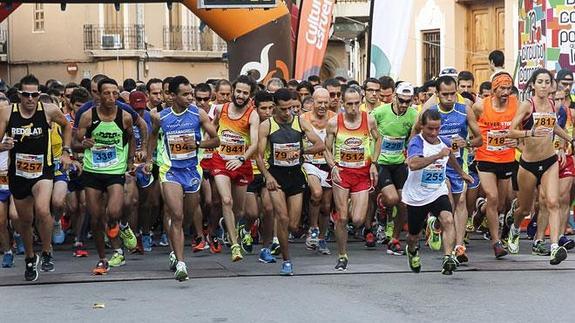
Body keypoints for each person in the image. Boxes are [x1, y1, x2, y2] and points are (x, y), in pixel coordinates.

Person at [145, 76, 219, 281]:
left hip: (192, 171)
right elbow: (152, 136)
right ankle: (180, 262)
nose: (190, 98)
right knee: (176, 215)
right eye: (185, 95)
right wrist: (149, 158)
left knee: (185, 217)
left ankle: (174, 244)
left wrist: (198, 145)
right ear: (173, 96)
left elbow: (216, 140)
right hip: (170, 171)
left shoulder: (198, 114)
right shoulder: (161, 117)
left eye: (191, 94)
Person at [0, 74, 72, 281]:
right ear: (19, 95)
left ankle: (47, 250)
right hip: (19, 172)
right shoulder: (7, 113)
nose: (30, 99)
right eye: (26, 95)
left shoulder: (48, 110)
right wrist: (2, 146)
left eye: (34, 95)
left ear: (39, 95)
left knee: (42, 209)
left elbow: (67, 125)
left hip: (43, 170)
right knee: (25, 219)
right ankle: (30, 257)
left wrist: (66, 151)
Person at [507, 69, 573, 265]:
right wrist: (530, 133)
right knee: (525, 208)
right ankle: (515, 227)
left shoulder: (553, 104)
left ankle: (554, 247)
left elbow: (553, 126)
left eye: (547, 82)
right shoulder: (527, 105)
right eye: (540, 82)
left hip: (549, 160)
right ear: (533, 85)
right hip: (528, 163)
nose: (544, 85)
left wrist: (570, 139)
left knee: (552, 202)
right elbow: (511, 131)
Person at [256, 88, 324, 275]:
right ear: (275, 108)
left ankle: (284, 241)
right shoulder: (267, 126)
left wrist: (304, 151)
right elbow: (259, 156)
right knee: (283, 218)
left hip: (295, 175)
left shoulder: (300, 122)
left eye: (291, 109)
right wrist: (267, 176)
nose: (287, 113)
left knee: (293, 225)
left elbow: (320, 144)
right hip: (276, 176)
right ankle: (286, 261)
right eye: (283, 109)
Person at [76, 78, 137, 275]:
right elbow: (75, 142)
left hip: (115, 170)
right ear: (99, 95)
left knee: (114, 211)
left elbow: (132, 138)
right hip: (93, 171)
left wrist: (129, 162)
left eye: (115, 93)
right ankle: (103, 259)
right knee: (95, 218)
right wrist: (83, 144)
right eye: (106, 93)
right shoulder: (87, 116)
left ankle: (116, 226)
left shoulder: (125, 116)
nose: (111, 97)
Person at [403, 109, 473, 275]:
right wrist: (436, 156)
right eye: (430, 129)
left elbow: (450, 155)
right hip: (417, 196)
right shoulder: (416, 142)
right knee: (413, 235)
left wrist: (462, 173)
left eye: (437, 128)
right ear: (422, 126)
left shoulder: (444, 141)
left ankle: (448, 258)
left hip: (437, 190)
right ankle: (412, 250)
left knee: (448, 219)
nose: (434, 133)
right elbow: (413, 164)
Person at [426, 75, 482, 264]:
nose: (449, 98)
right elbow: (416, 136)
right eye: (445, 95)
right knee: (448, 203)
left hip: (459, 164)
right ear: (437, 94)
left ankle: (459, 246)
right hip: (437, 165)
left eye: (452, 94)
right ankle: (445, 246)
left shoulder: (465, 110)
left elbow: (480, 139)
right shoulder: (430, 112)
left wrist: (465, 142)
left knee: (461, 204)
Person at [325, 87, 381, 271]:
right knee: (342, 218)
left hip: (362, 173)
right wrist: (332, 166)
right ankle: (342, 255)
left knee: (357, 220)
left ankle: (349, 205)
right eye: (349, 104)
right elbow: (326, 148)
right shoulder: (334, 123)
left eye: (357, 103)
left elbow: (378, 139)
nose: (354, 108)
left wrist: (374, 162)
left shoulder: (369, 119)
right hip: (342, 173)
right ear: (342, 104)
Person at [211, 75, 260, 262]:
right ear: (233, 91)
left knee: (239, 211)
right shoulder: (221, 109)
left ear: (250, 95)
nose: (240, 95)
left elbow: (254, 144)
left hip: (241, 162)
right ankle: (234, 245)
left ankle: (229, 223)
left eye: (244, 93)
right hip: (221, 160)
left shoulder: (252, 114)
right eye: (238, 91)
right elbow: (212, 129)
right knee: (226, 199)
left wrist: (241, 158)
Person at [472, 72, 518, 258]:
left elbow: (522, 126)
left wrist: (517, 141)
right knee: (492, 195)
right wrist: (475, 139)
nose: (506, 92)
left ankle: (480, 210)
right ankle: (496, 242)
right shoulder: (480, 106)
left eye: (508, 88)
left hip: (506, 158)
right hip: (485, 157)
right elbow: (470, 124)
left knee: (499, 203)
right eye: (502, 88)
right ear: (493, 89)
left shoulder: (517, 104)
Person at [371, 82, 418, 255]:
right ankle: (382, 206)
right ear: (395, 97)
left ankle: (395, 239)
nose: (404, 104)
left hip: (400, 162)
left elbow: (413, 138)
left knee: (404, 202)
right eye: (402, 100)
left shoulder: (414, 115)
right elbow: (366, 130)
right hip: (382, 161)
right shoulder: (380, 112)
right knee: (391, 199)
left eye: (408, 101)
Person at [301, 88, 335, 255]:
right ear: (312, 102)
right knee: (316, 193)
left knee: (327, 206)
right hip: (309, 163)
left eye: (325, 102)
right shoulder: (303, 119)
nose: (322, 106)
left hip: (328, 164)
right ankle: (313, 228)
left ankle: (322, 237)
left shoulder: (335, 118)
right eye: (319, 102)